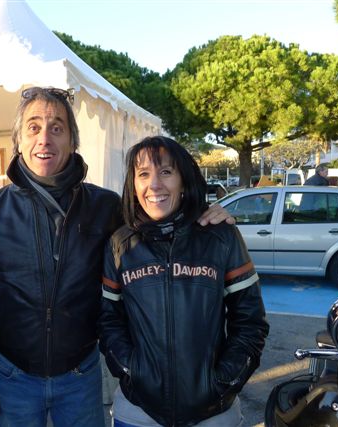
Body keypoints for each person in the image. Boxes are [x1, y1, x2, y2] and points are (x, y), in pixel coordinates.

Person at [0, 87, 234, 427]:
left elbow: (159, 218)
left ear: (73, 141)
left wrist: (202, 213)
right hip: (12, 377)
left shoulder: (106, 206)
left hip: (80, 376)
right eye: (33, 127)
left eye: (57, 128)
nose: (45, 138)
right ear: (18, 140)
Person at [99, 136, 269, 427]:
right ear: (133, 184)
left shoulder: (220, 235)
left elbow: (250, 321)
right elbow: (108, 320)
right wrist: (133, 371)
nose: (154, 185)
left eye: (166, 172)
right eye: (143, 174)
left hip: (214, 412)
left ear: (184, 181)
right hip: (138, 411)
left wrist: (223, 381)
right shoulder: (120, 243)